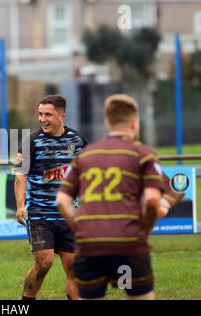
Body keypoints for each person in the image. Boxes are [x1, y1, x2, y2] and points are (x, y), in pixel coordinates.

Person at [56, 94, 165, 300]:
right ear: (134, 124)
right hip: (129, 243)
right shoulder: (143, 154)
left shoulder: (84, 156)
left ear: (107, 122)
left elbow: (62, 200)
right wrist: (144, 230)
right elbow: (152, 200)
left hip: (90, 245)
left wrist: (81, 227)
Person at [14, 95, 87, 300]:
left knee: (73, 267)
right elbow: (20, 176)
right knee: (44, 262)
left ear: (62, 116)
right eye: (40, 114)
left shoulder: (78, 140)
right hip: (39, 214)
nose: (42, 119)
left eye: (48, 114)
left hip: (68, 215)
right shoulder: (31, 142)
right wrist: (21, 206)